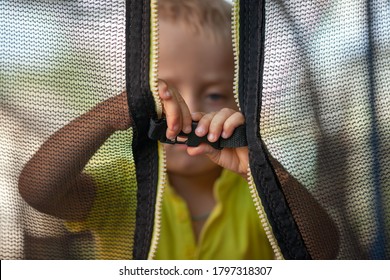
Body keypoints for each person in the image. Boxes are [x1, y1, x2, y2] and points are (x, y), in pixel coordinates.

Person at [18, 0, 274, 259]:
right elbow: (38, 190)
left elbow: (314, 249)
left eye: (216, 95)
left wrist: (265, 174)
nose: (189, 111)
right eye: (163, 93)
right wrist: (110, 114)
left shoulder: (257, 187)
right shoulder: (124, 186)